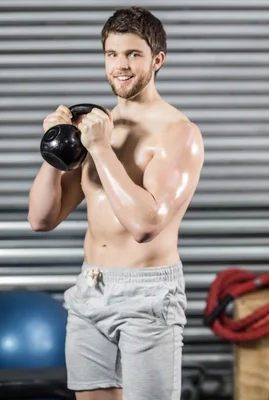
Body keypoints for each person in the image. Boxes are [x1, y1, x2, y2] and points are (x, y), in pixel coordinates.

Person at [27, 7, 204, 400]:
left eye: (133, 55)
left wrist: (101, 148)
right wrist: (56, 146)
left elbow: (145, 225)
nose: (120, 66)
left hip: (148, 296)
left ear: (157, 60)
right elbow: (41, 219)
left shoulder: (178, 133)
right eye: (112, 54)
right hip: (90, 287)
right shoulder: (96, 127)